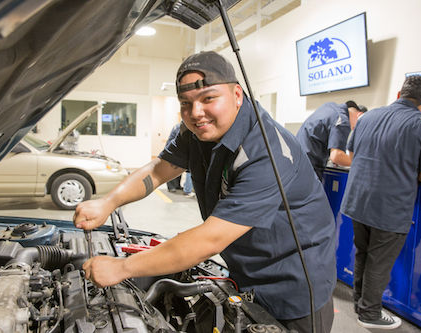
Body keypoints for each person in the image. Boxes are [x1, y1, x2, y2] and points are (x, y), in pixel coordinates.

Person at [74, 51, 337, 333]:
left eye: (208, 99)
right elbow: (159, 169)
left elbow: (210, 239)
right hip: (243, 270)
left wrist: (121, 269)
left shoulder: (267, 152)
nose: (196, 112)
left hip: (293, 286)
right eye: (185, 103)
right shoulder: (196, 131)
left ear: (237, 94)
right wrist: (107, 203)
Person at [340, 75, 421, 329]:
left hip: (358, 200)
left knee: (363, 254)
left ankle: (359, 303)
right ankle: (369, 314)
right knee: (379, 261)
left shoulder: (367, 117)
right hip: (390, 206)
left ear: (399, 94)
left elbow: (352, 155)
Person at [296, 100, 365, 180]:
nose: (355, 130)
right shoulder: (342, 120)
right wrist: (360, 163)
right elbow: (336, 156)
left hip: (297, 158)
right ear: (359, 115)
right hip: (310, 165)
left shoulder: (329, 106)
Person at [165, 124, 183, 193]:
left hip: (179, 150)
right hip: (172, 149)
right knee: (171, 169)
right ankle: (171, 187)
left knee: (179, 168)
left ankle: (177, 185)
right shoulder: (179, 127)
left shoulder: (179, 126)